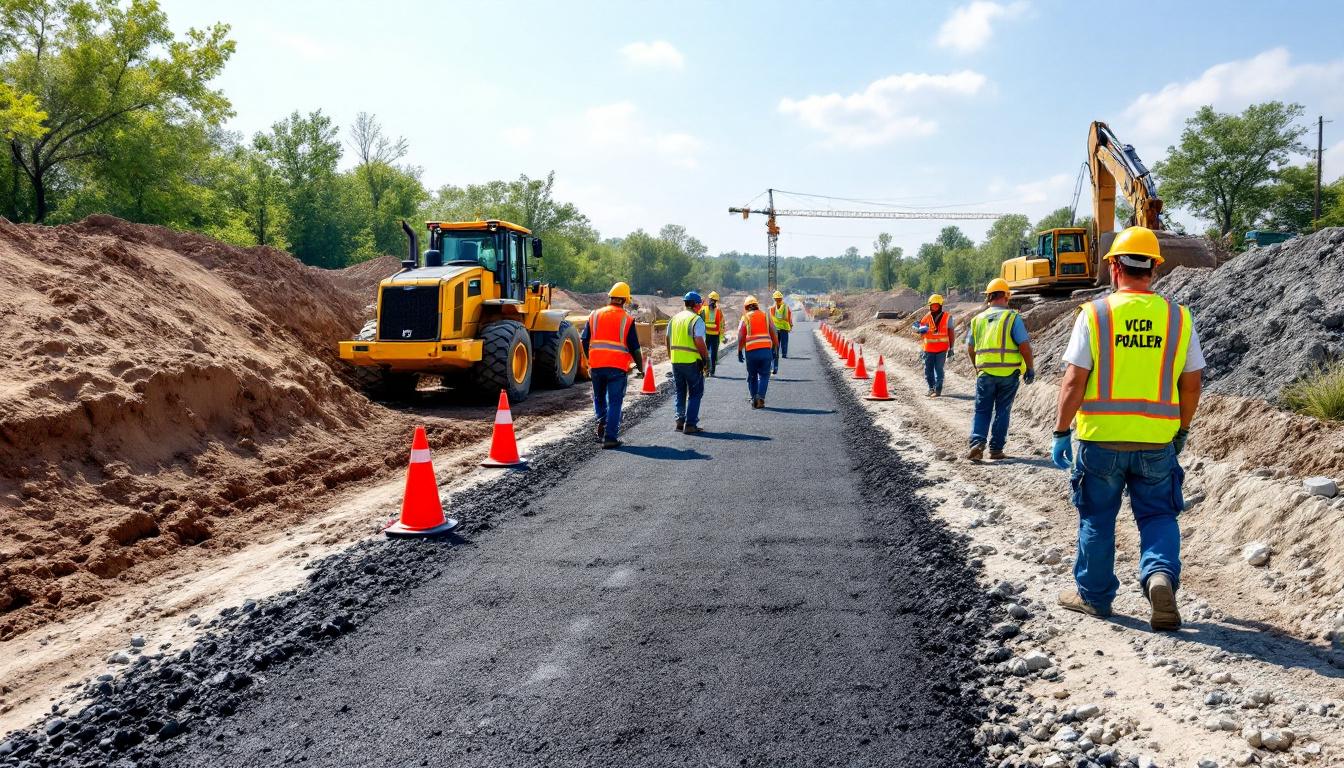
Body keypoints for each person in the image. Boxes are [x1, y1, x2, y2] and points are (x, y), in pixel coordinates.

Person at [1051, 226, 1204, 632]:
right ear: (1154, 268)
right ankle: (1159, 576)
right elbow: (1192, 384)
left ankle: (1094, 597)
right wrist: (1182, 429)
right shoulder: (1178, 318)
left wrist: (1061, 430)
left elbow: (1074, 381)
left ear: (1114, 267)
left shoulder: (1095, 314)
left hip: (1100, 440)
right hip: (1156, 441)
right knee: (1158, 515)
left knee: (1097, 519)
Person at [966, 278, 1035, 461]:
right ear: (1006, 296)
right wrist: (1030, 368)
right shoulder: (1012, 318)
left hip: (985, 373)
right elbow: (1024, 346)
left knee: (982, 410)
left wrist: (976, 367)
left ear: (989, 297)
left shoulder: (977, 319)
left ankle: (977, 443)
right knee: (1003, 411)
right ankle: (996, 450)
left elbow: (971, 348)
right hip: (1009, 374)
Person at [580, 281, 644, 449]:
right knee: (615, 402)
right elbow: (635, 348)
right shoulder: (627, 319)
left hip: (596, 365)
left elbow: (584, 340)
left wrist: (589, 360)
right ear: (624, 300)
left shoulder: (594, 315)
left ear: (611, 297)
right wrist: (641, 368)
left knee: (599, 397)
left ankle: (602, 421)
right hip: (617, 367)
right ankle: (610, 437)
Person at [667, 292, 711, 434]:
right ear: (696, 305)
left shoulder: (674, 318)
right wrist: (706, 359)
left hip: (676, 361)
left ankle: (680, 421)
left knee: (680, 391)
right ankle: (691, 424)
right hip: (692, 361)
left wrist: (671, 356)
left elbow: (667, 338)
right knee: (695, 392)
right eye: (700, 304)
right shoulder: (696, 320)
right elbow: (699, 340)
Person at [736, 295, 779, 409]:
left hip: (751, 352)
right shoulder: (765, 316)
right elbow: (773, 331)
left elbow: (741, 335)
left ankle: (754, 397)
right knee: (764, 375)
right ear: (757, 305)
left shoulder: (745, 317)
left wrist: (739, 350)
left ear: (746, 307)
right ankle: (761, 397)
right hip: (765, 351)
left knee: (752, 376)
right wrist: (776, 347)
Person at [913, 293, 955, 397]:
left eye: (936, 306)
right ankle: (931, 388)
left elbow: (951, 333)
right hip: (928, 349)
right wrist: (917, 329)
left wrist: (952, 348)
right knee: (928, 370)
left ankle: (938, 389)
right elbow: (919, 331)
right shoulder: (926, 318)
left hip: (941, 349)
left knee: (939, 369)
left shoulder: (947, 317)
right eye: (932, 306)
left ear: (940, 306)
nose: (934, 307)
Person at [699, 291, 725, 376]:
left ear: (709, 299)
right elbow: (722, 324)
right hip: (715, 336)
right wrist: (722, 336)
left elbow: (698, 318)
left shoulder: (703, 309)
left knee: (704, 353)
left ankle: (705, 371)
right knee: (714, 354)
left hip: (706, 335)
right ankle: (712, 371)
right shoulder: (719, 311)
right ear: (716, 301)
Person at [769, 290, 792, 373]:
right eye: (777, 299)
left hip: (779, 328)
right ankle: (782, 353)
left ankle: (780, 353)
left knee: (779, 343)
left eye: (778, 299)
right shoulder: (783, 306)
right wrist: (790, 324)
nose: (777, 300)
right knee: (782, 342)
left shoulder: (773, 308)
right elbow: (787, 316)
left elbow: (771, 319)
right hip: (781, 328)